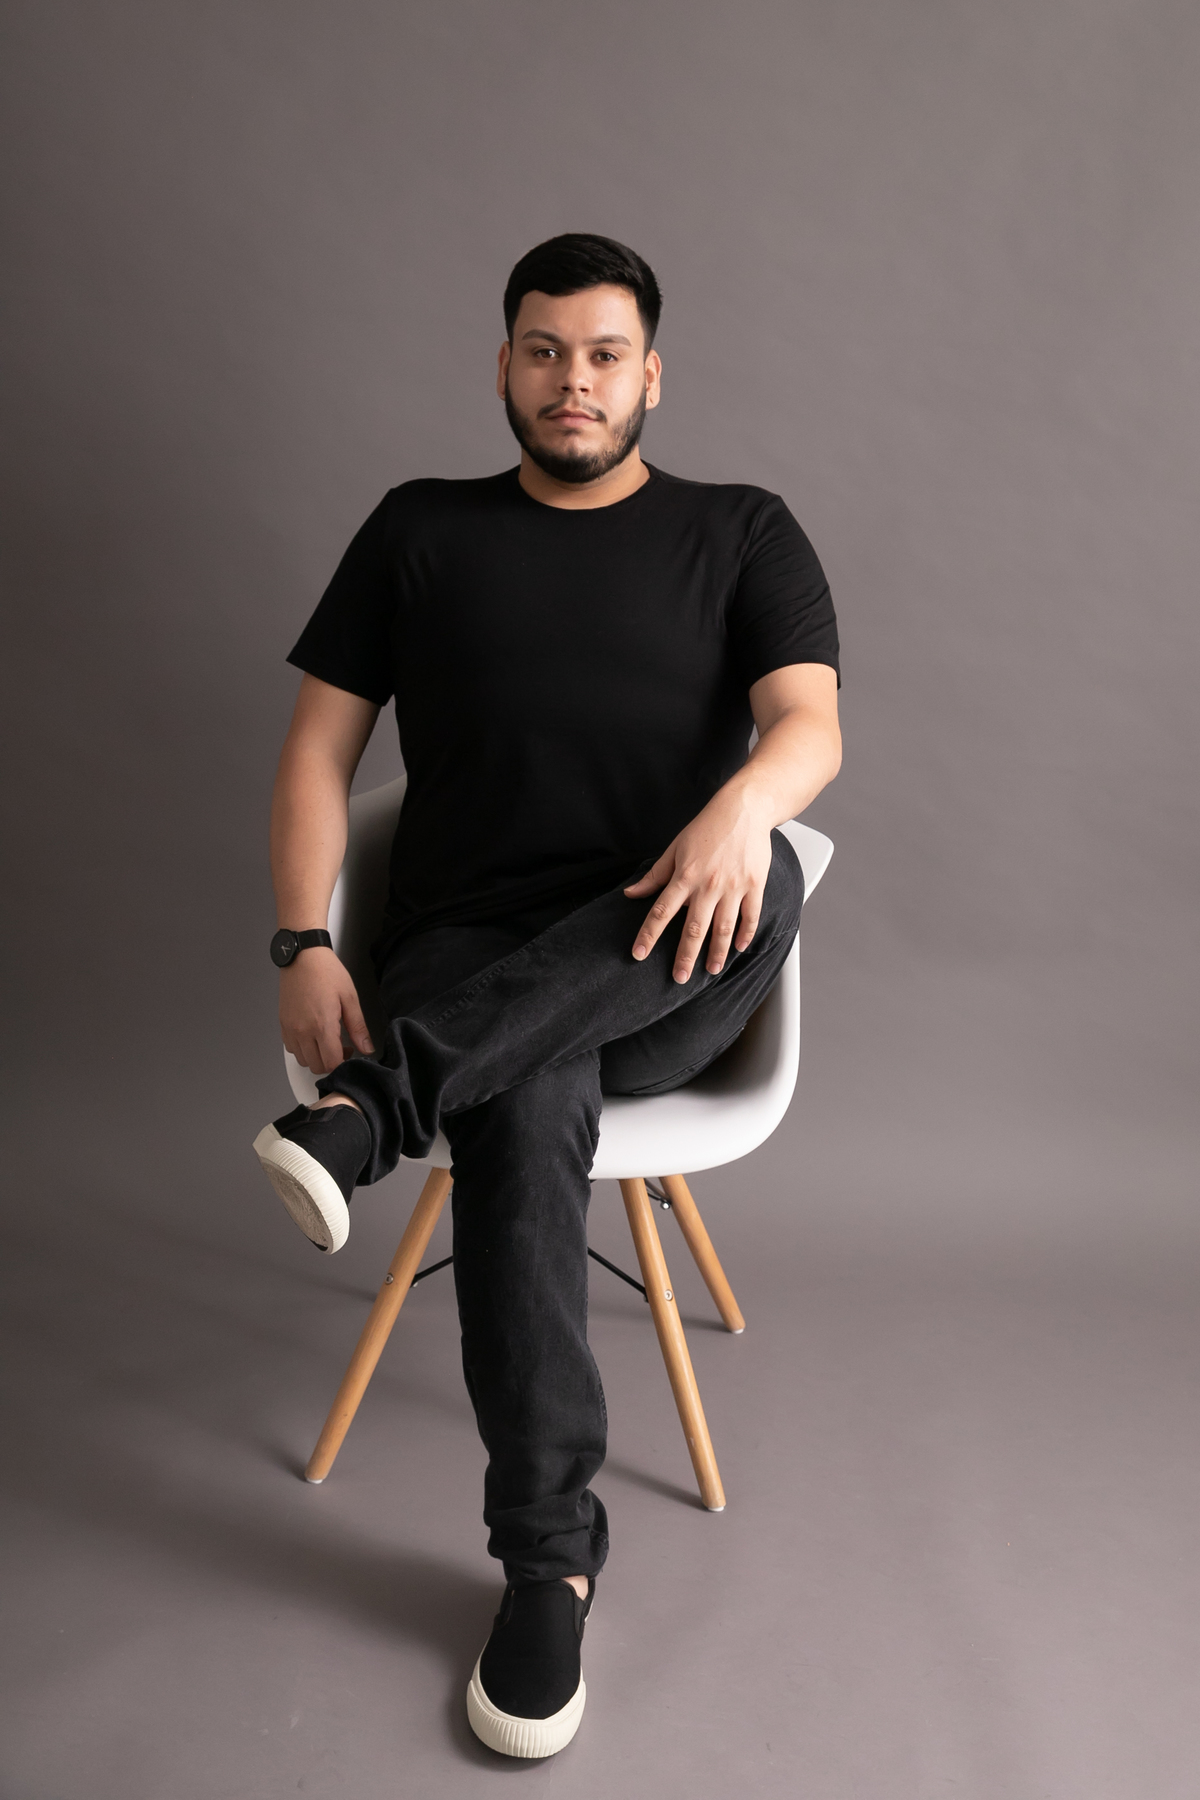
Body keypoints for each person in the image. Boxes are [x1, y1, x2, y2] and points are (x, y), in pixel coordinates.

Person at [252, 233, 841, 1758]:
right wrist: (303, 942)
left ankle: (377, 1108)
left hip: (671, 951)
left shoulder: (740, 528)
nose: (572, 379)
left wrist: (740, 810)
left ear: (651, 375)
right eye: (543, 350)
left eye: (602, 354)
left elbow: (809, 726)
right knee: (520, 1100)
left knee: (772, 871)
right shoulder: (419, 529)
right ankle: (548, 1567)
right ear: (503, 366)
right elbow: (317, 752)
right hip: (464, 953)